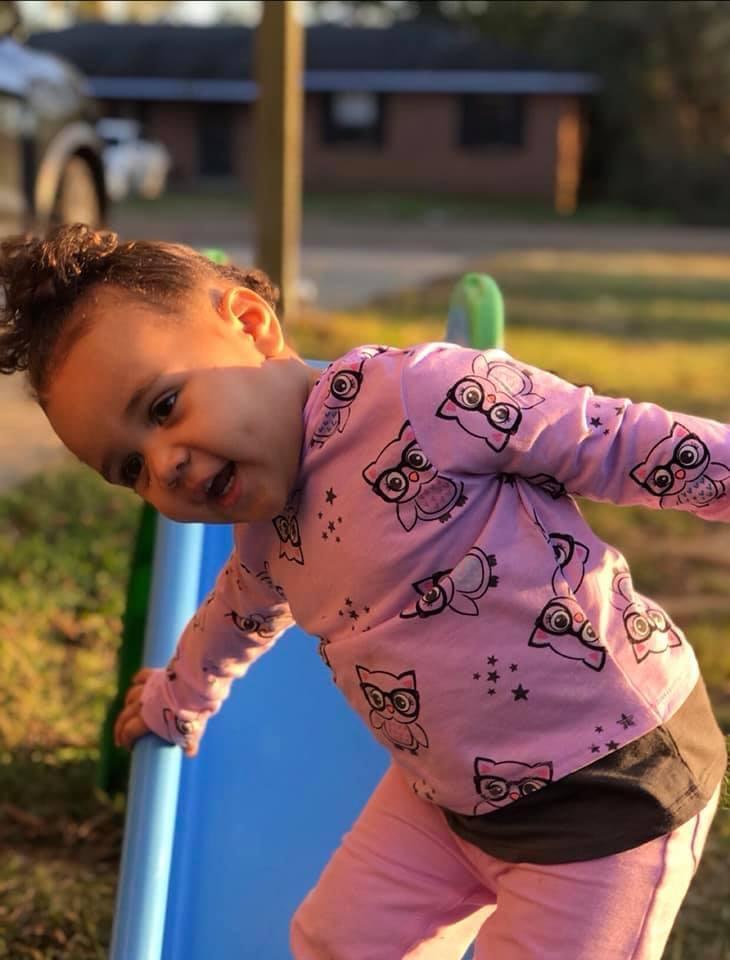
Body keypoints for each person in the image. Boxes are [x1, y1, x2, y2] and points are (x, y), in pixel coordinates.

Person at [1, 223, 726, 960]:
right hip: (447, 796)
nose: (165, 466)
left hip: (609, 785)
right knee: (335, 943)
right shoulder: (264, 537)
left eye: (163, 408)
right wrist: (177, 696)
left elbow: (616, 439)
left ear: (250, 325)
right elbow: (234, 618)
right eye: (130, 469)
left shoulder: (425, 396)